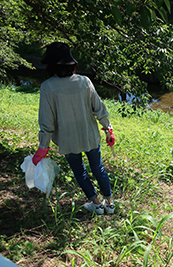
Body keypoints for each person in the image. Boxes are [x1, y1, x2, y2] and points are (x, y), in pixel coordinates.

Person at [32, 42, 116, 215]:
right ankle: (110, 203)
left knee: (79, 171)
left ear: (51, 66)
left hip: (68, 139)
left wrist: (43, 146)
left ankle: (97, 204)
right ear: (72, 64)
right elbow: (99, 108)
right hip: (89, 135)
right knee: (98, 168)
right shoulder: (85, 81)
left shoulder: (48, 87)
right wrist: (108, 129)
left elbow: (46, 121)